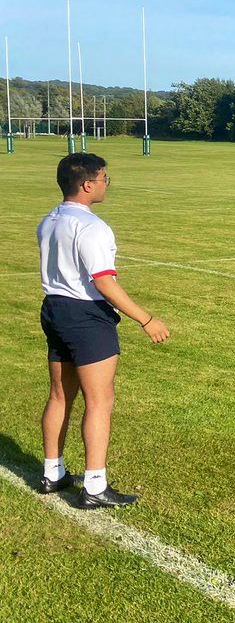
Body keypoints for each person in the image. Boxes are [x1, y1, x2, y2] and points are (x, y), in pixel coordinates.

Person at [37, 153, 170, 508]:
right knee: (100, 401)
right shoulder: (92, 227)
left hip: (54, 309)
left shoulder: (49, 219)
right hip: (86, 315)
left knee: (60, 395)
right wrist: (146, 319)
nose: (106, 184)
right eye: (103, 179)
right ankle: (95, 486)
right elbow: (104, 283)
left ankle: (52, 472)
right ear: (87, 184)